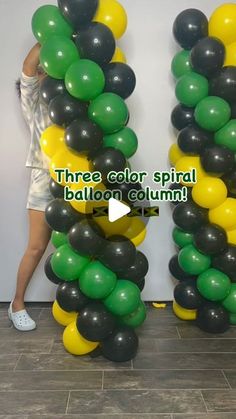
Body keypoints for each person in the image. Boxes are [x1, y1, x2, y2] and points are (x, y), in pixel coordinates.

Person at [8, 44, 53, 331]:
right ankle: (16, 304)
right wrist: (49, 38)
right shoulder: (33, 102)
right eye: (42, 70)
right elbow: (27, 68)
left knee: (87, 239)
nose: (45, 72)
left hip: (79, 179)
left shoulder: (74, 97)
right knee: (37, 247)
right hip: (44, 179)